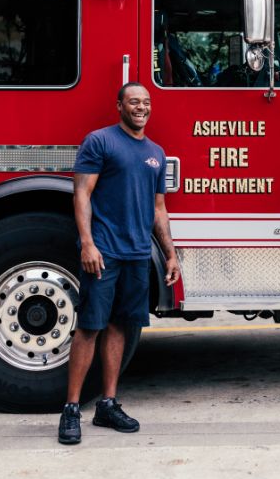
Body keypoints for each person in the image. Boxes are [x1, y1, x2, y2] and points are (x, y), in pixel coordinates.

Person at [58, 82, 180, 445]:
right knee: (90, 327)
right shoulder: (99, 141)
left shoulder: (156, 153)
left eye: (146, 102)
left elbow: (159, 209)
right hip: (105, 252)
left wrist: (170, 254)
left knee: (119, 328)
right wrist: (88, 244)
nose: (141, 107)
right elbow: (82, 192)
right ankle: (71, 409)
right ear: (119, 106)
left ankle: (108, 405)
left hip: (138, 254)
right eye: (133, 102)